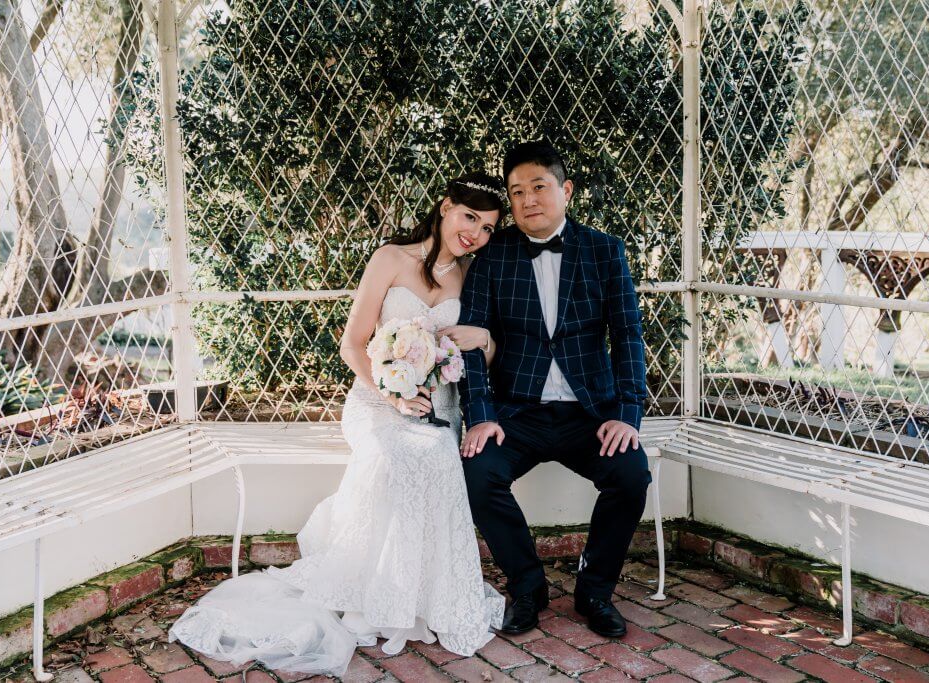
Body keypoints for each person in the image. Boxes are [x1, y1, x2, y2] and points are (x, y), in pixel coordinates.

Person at [169, 172, 509, 676]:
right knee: (395, 458)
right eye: (469, 218)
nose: (475, 233)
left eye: (486, 227)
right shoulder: (391, 258)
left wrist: (483, 338)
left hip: (439, 408)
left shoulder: (473, 275)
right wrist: (392, 394)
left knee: (438, 454)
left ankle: (425, 595)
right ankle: (379, 594)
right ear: (444, 207)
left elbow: (484, 354)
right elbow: (353, 344)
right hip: (378, 401)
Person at [458, 140, 651, 638]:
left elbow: (628, 334)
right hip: (516, 413)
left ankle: (594, 590)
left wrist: (627, 413)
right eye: (516, 191)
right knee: (478, 475)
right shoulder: (492, 254)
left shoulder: (604, 250)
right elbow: (471, 340)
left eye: (538, 187)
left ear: (565, 190)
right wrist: (480, 414)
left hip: (590, 414)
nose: (527, 200)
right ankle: (528, 586)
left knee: (630, 474)